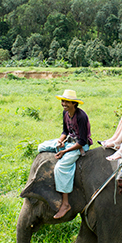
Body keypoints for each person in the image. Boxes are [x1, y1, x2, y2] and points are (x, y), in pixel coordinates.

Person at [37, 89, 92, 219]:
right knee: (42, 146)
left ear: (74, 103)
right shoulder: (66, 113)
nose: (64, 104)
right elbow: (65, 131)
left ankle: (65, 203)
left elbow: (83, 140)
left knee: (61, 167)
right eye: (63, 101)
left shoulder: (81, 117)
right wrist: (60, 142)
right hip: (69, 142)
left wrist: (65, 151)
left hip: (79, 145)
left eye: (67, 102)